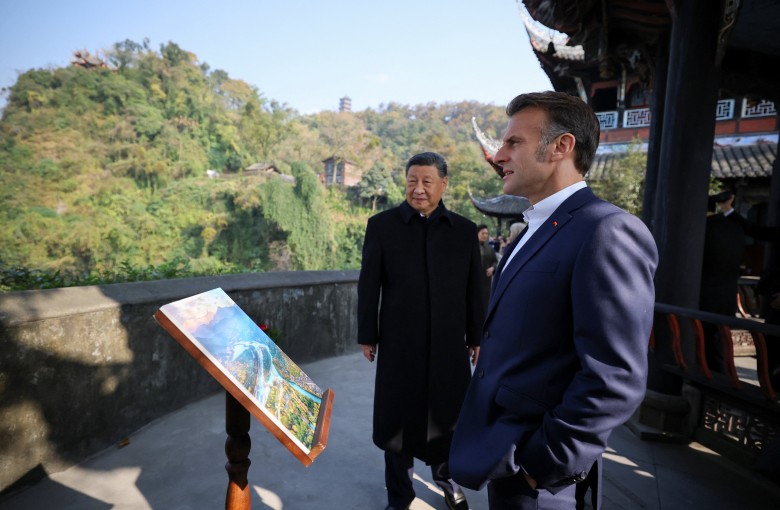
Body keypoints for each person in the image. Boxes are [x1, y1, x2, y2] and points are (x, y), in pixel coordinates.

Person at [449, 91, 658, 510]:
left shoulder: (607, 231)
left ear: (562, 146)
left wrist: (541, 464)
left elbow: (615, 375)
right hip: (502, 450)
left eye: (514, 143)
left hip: (540, 479)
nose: (498, 154)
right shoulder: (532, 230)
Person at [358, 151, 484, 510]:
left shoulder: (463, 231)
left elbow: (475, 290)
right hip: (400, 345)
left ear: (443, 184)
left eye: (427, 181)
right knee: (397, 423)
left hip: (448, 346)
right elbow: (369, 286)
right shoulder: (382, 226)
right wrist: (367, 333)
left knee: (448, 419)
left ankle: (448, 480)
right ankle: (399, 496)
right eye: (413, 180)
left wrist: (476, 337)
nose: (419, 189)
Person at [699, 191, 746, 372]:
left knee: (703, 350)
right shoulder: (735, 228)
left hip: (702, 298)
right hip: (727, 297)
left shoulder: (702, 230)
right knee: (720, 348)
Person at [478, 224, 499, 311]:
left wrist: (493, 268)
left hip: (486, 282)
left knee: (485, 304)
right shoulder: (471, 247)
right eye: (483, 233)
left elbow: (495, 261)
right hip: (474, 281)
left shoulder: (490, 248)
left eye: (487, 233)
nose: (485, 235)